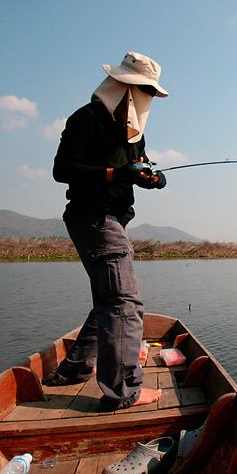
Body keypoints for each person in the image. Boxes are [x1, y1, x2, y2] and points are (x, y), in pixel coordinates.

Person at [48, 52, 169, 410]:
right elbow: (63, 169)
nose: (145, 96)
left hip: (116, 218)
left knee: (109, 299)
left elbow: (138, 167)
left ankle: (73, 369)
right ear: (122, 86)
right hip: (92, 216)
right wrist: (116, 174)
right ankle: (123, 393)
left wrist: (151, 178)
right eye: (141, 88)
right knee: (123, 303)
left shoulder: (134, 132)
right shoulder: (87, 119)